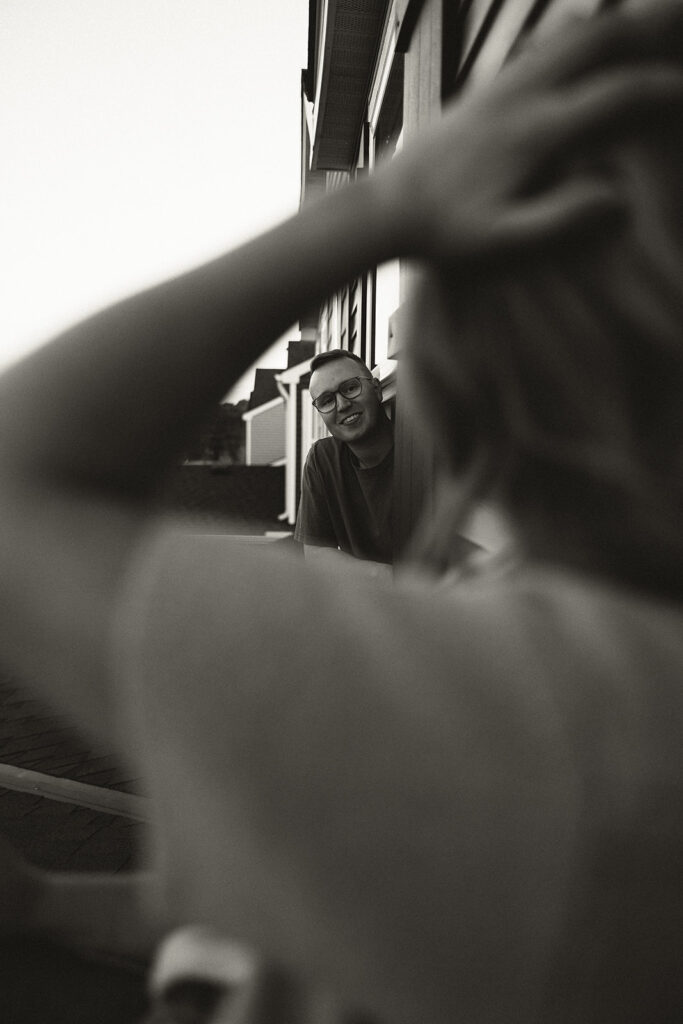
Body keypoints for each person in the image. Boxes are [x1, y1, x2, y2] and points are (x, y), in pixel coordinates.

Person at [1, 3, 683, 1021]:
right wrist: (51, 902)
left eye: (346, 385)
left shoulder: (544, 718)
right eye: (319, 400)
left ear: (446, 362)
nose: (338, 405)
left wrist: (382, 205)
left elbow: (19, 485)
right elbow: (332, 897)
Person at [294, 349, 395, 573]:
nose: (342, 405)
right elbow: (317, 554)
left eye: (350, 388)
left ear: (377, 390)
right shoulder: (323, 460)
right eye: (327, 400)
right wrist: (392, 581)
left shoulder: (423, 452)